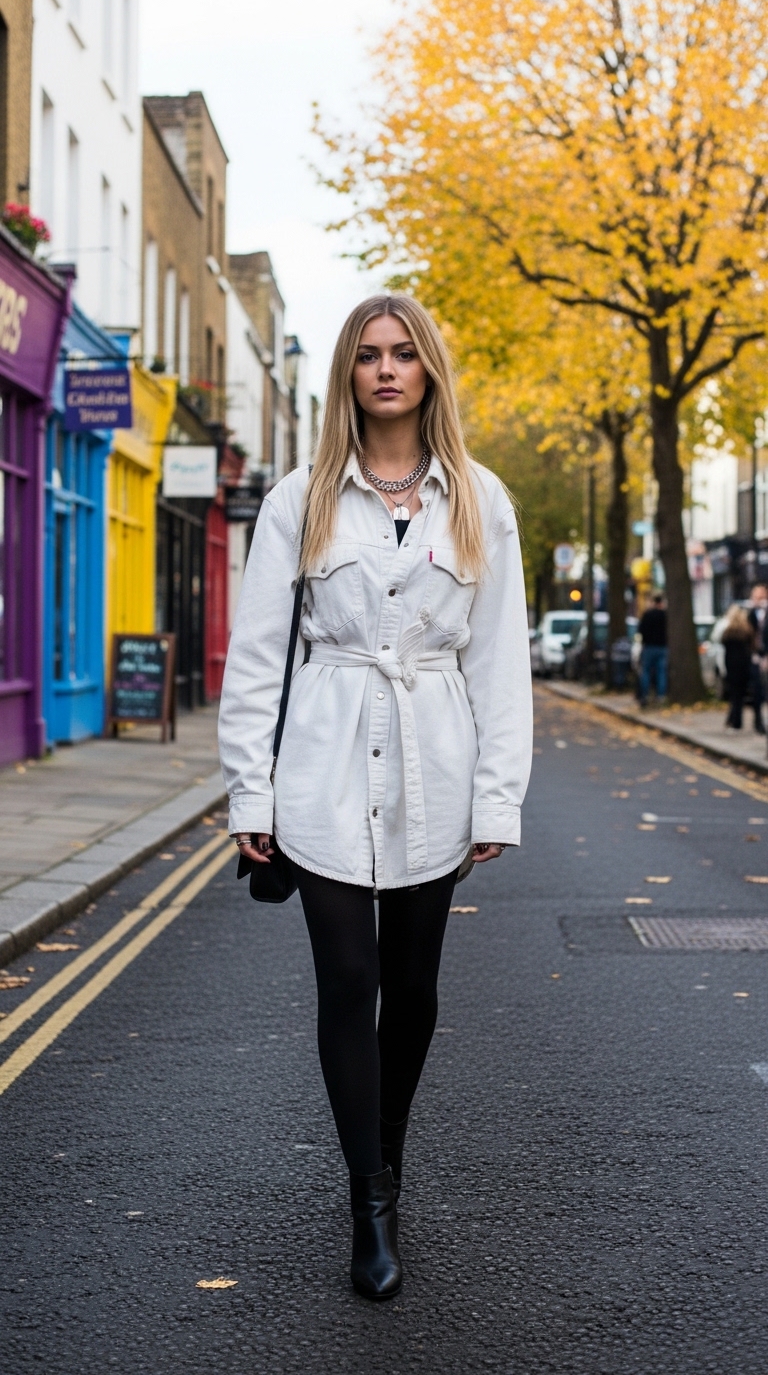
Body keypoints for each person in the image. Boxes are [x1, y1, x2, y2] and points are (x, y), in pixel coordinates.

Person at [218, 294, 532, 1301]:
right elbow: (258, 655)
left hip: (435, 770)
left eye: (403, 354)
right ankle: (370, 1202)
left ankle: (385, 1157)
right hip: (322, 762)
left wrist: (497, 800)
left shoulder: (479, 498)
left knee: (416, 992)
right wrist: (249, 794)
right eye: (367, 355)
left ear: (429, 369)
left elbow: (500, 665)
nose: (386, 369)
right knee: (349, 980)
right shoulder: (297, 499)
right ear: (347, 375)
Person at [721, 604, 755, 730]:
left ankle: (734, 720)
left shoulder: (728, 632)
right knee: (740, 695)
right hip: (744, 666)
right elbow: (753, 647)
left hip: (732, 666)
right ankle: (735, 720)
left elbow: (725, 649)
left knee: (734, 694)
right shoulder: (747, 630)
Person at [637, 593, 668, 705]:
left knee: (645, 671)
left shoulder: (647, 614)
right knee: (661, 672)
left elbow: (640, 630)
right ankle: (660, 696)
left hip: (649, 647)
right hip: (662, 647)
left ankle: (644, 695)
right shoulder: (665, 615)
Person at [747, 584, 768, 734]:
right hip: (754, 656)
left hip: (766, 655)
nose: (759, 600)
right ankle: (758, 721)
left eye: (762, 597)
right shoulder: (749, 614)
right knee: (757, 691)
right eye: (757, 597)